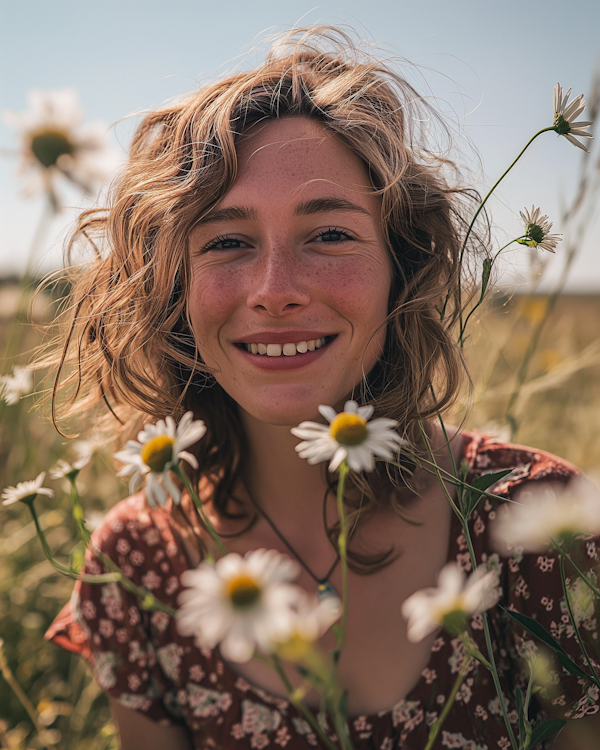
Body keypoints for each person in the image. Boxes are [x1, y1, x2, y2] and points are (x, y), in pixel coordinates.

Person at [44, 27, 599, 750]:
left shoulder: (542, 528)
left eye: (329, 235)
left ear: (401, 268)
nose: (275, 292)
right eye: (226, 241)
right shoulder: (137, 569)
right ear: (172, 289)